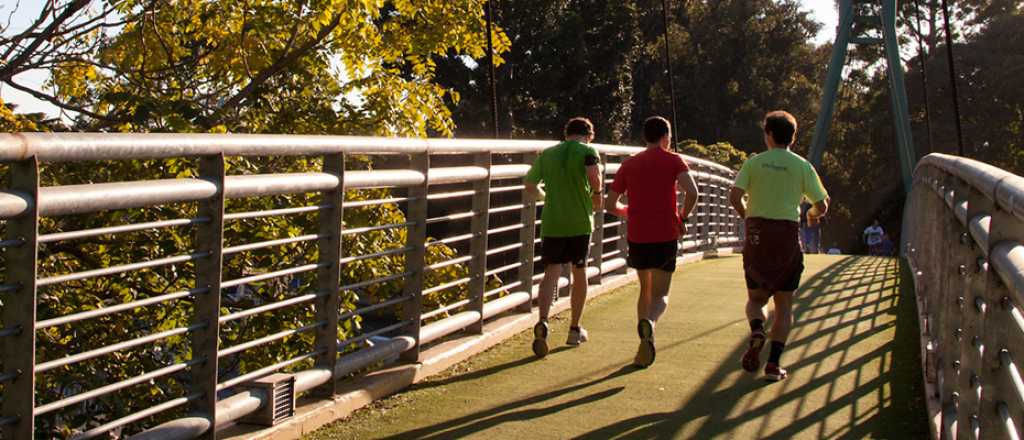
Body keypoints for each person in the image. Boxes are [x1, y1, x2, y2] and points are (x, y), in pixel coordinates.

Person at [729, 110, 828, 381]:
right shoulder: (802, 166)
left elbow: (734, 196)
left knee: (755, 299)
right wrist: (810, 215)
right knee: (784, 305)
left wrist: (747, 216)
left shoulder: (755, 163)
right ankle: (773, 365)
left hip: (758, 234)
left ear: (769, 135)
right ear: (793, 137)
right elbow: (822, 205)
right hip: (787, 236)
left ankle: (758, 328)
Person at [605, 116, 699, 368]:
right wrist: (683, 217)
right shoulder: (673, 160)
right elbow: (693, 192)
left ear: (644, 136)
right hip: (665, 234)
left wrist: (629, 211)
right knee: (661, 294)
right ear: (666, 136)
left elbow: (609, 204)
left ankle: (642, 346)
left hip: (638, 235)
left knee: (644, 290)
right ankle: (651, 325)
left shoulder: (629, 164)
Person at [525, 117, 603, 358]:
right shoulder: (588, 150)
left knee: (551, 274)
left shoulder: (547, 154)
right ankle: (574, 328)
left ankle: (543, 321)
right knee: (579, 272)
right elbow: (593, 176)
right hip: (579, 222)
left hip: (552, 222)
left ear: (566, 133)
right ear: (589, 135)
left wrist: (545, 197)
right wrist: (598, 194)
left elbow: (529, 184)